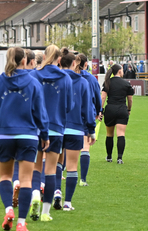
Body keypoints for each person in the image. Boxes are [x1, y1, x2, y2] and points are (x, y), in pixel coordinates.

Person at [0, 47, 49, 231]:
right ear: (24, 61)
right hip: (28, 136)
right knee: (26, 180)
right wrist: (44, 135)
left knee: (5, 177)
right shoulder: (33, 82)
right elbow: (40, 112)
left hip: (4, 135)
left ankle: (9, 209)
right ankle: (21, 223)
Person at [30, 44, 73, 221]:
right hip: (56, 128)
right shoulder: (66, 78)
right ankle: (46, 213)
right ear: (60, 59)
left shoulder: (34, 75)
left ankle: (34, 196)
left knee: (35, 168)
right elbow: (70, 106)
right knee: (51, 171)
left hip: (36, 128)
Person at [58, 48, 96, 211]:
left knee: (55, 164)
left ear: (60, 62)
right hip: (75, 128)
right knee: (72, 165)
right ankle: (68, 203)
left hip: (56, 128)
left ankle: (56, 192)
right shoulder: (82, 82)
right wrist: (91, 129)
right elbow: (87, 108)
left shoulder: (55, 79)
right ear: (75, 63)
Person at [12, 48, 37, 207]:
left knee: (14, 161)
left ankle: (15, 182)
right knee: (32, 169)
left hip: (10, 128)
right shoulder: (33, 79)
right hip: (30, 129)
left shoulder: (6, 78)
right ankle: (36, 190)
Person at [100, 64, 134, 164]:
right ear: (119, 71)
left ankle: (109, 157)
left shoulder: (107, 82)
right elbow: (130, 99)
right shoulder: (126, 83)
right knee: (121, 134)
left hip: (110, 109)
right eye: (122, 70)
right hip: (122, 109)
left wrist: (101, 110)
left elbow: (103, 97)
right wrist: (129, 109)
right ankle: (119, 158)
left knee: (109, 134)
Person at [76, 53, 101, 187]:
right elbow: (97, 97)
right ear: (86, 64)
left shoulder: (68, 76)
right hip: (86, 115)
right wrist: (98, 111)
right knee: (85, 147)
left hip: (70, 116)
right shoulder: (91, 79)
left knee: (68, 148)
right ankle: (83, 179)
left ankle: (61, 173)